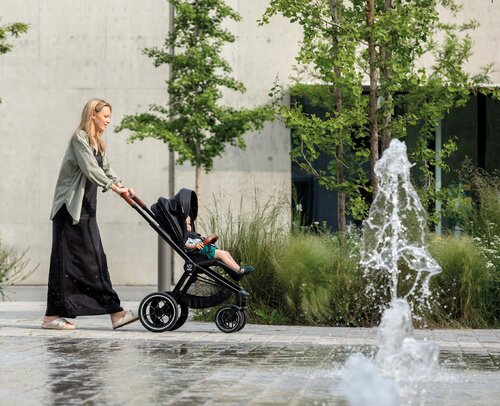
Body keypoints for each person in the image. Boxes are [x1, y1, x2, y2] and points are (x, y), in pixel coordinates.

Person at [41, 98, 139, 331]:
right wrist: (115, 188)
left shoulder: (97, 143)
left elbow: (105, 169)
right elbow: (91, 169)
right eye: (105, 116)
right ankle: (114, 313)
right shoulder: (80, 139)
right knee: (75, 262)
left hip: (86, 209)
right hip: (70, 210)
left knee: (91, 260)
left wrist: (121, 185)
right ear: (92, 115)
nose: (108, 121)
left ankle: (55, 316)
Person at [184, 216, 255, 275]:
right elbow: (185, 245)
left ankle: (237, 269)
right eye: (186, 224)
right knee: (222, 255)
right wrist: (194, 246)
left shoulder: (192, 235)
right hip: (201, 255)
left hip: (207, 250)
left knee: (226, 253)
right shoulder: (186, 237)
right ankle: (239, 270)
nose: (189, 226)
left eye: (189, 224)